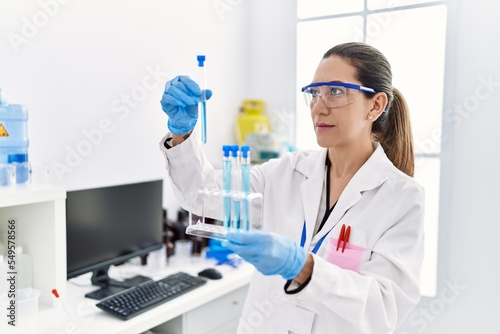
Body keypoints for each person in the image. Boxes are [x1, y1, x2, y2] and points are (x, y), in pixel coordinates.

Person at [159, 42, 425, 334]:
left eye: (335, 92)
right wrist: (181, 132)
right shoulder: (286, 172)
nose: (318, 107)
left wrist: (303, 267)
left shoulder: (402, 198)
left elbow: (382, 309)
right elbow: (202, 195)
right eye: (314, 93)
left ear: (375, 105)